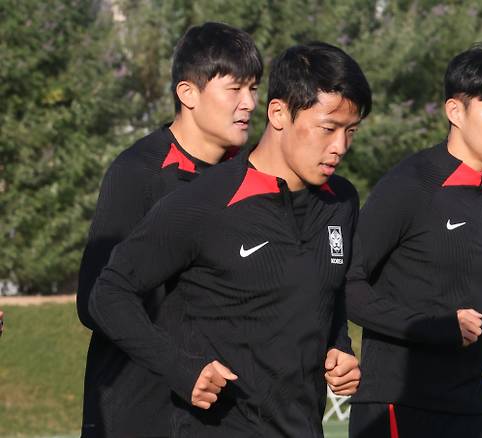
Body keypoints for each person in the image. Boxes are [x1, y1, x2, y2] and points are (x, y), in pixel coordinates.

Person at [87, 41, 371, 437]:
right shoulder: (203, 202)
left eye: (351, 131)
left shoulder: (342, 201)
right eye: (328, 129)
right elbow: (107, 293)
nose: (340, 147)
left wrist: (340, 347)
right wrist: (181, 369)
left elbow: (328, 292)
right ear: (278, 114)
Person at [346, 46, 482, 438]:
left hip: (471, 407)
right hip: (399, 405)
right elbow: (349, 285)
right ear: (455, 112)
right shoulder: (410, 185)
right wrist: (431, 327)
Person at [77, 22, 263, 437]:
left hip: (225, 414)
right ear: (188, 93)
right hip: (139, 410)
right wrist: (179, 365)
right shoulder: (137, 173)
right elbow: (94, 301)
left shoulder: (252, 174)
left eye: (254, 88)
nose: (250, 103)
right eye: (235, 89)